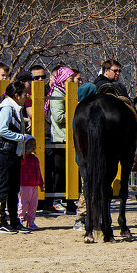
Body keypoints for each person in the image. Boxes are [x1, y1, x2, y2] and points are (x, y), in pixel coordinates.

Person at [0, 79, 33, 234]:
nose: (26, 96)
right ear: (17, 95)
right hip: (3, 152)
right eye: (24, 94)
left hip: (12, 153)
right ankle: (0, 222)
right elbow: (1, 130)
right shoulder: (7, 108)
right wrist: (20, 137)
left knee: (13, 188)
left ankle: (14, 221)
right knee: (4, 187)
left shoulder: (15, 108)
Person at [46, 65, 79, 214]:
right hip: (61, 138)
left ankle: (71, 201)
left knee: (73, 171)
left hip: (72, 137)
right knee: (59, 171)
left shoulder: (71, 92)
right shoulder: (57, 93)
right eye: (70, 79)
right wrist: (75, 113)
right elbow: (58, 117)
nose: (73, 81)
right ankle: (56, 200)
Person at [18, 137, 44, 230]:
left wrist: (41, 183)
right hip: (25, 185)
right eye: (30, 145)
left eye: (34, 145)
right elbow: (22, 163)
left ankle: (31, 221)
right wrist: (25, 153)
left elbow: (38, 172)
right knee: (23, 203)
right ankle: (20, 219)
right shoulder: (22, 158)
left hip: (34, 185)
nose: (33, 147)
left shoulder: (35, 159)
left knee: (33, 204)